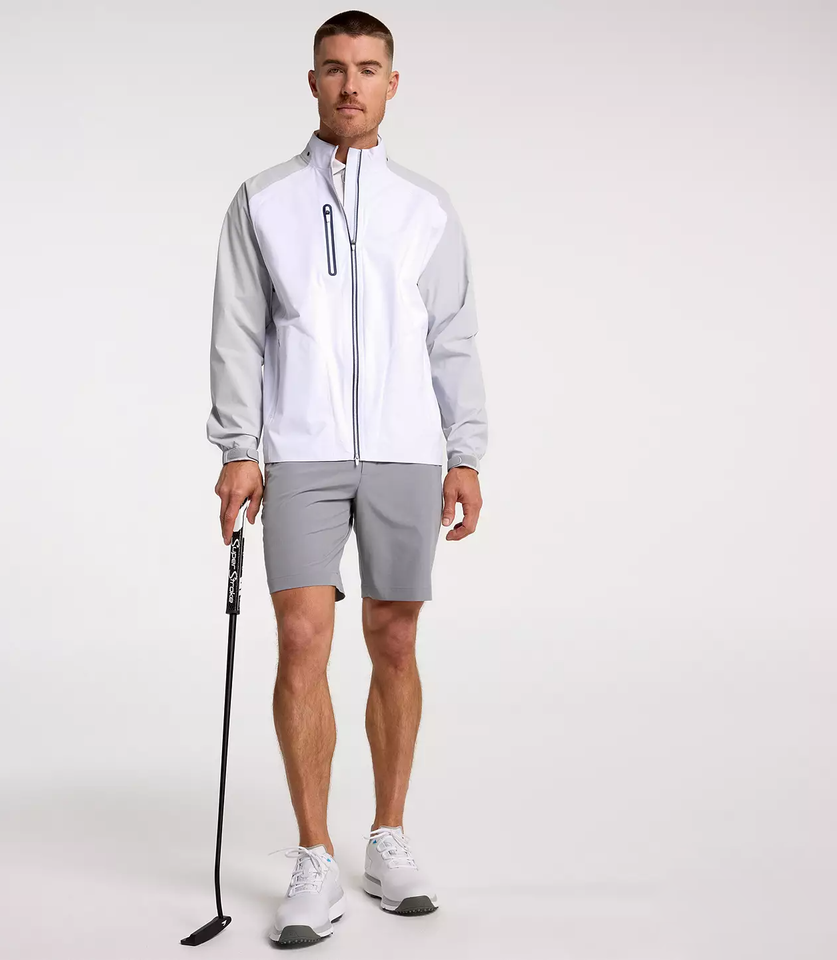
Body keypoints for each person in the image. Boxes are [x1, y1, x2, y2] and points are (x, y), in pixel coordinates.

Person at [206, 9, 488, 947]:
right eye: (334, 67)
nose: (351, 83)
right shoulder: (263, 201)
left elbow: (453, 338)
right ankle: (314, 856)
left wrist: (466, 451)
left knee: (395, 638)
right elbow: (238, 332)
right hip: (301, 447)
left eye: (368, 68)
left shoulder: (427, 208)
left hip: (407, 449)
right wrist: (238, 447)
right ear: (313, 81)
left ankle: (388, 837)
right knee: (301, 638)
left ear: (392, 84)